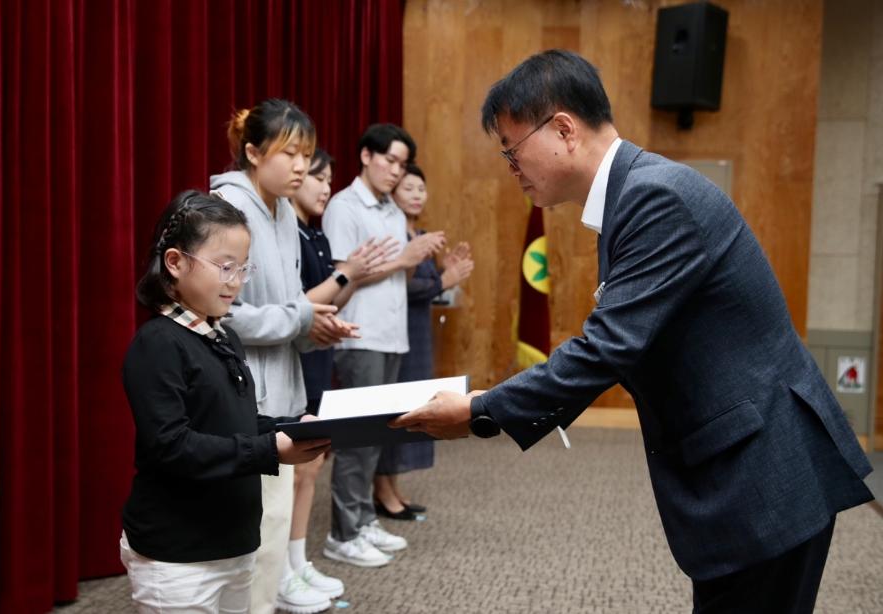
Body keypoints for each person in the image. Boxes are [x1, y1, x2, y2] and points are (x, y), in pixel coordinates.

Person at [393, 49, 874, 614]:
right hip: (749, 466)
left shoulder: (654, 196)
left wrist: (479, 411)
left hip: (764, 476)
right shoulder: (633, 193)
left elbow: (606, 350)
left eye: (512, 149)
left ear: (564, 129)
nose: (510, 167)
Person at [120, 190, 329, 613]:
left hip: (233, 542)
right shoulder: (158, 344)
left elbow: (236, 422)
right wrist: (270, 449)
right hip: (178, 554)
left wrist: (291, 427)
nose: (236, 281)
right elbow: (172, 447)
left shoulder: (223, 336)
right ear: (175, 263)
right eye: (224, 267)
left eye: (243, 269)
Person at [210, 100, 357, 614]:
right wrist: (301, 320)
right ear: (252, 152)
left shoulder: (281, 212)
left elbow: (286, 307)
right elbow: (224, 314)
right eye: (290, 152)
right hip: (242, 392)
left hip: (282, 388)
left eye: (307, 154)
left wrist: (317, 330)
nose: (301, 166)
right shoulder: (227, 211)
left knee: (271, 530)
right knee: (251, 532)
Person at [321, 124, 446, 567]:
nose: (396, 172)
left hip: (394, 336)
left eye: (401, 163)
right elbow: (344, 276)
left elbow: (400, 274)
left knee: (376, 436)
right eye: (390, 161)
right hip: (360, 334)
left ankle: (362, 520)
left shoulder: (393, 212)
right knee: (354, 439)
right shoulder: (343, 206)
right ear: (366, 156)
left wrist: (421, 259)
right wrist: (404, 259)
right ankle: (343, 532)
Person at [286, 148, 397, 603]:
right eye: (319, 178)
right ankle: (284, 567)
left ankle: (296, 561)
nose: (325, 187)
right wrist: (350, 273)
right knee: (293, 468)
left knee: (311, 464)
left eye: (330, 179)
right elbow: (295, 306)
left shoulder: (313, 236)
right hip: (291, 360)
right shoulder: (286, 235)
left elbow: (326, 303)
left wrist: (344, 284)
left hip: (315, 357)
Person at [374, 163, 474, 520]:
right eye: (409, 188)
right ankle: (381, 491)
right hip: (392, 332)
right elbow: (400, 286)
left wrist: (444, 272)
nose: (417, 194)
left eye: (421, 188)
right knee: (393, 413)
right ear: (392, 193)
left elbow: (425, 290)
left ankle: (393, 487)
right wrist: (444, 280)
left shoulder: (423, 234)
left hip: (417, 333)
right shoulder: (392, 234)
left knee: (411, 410)